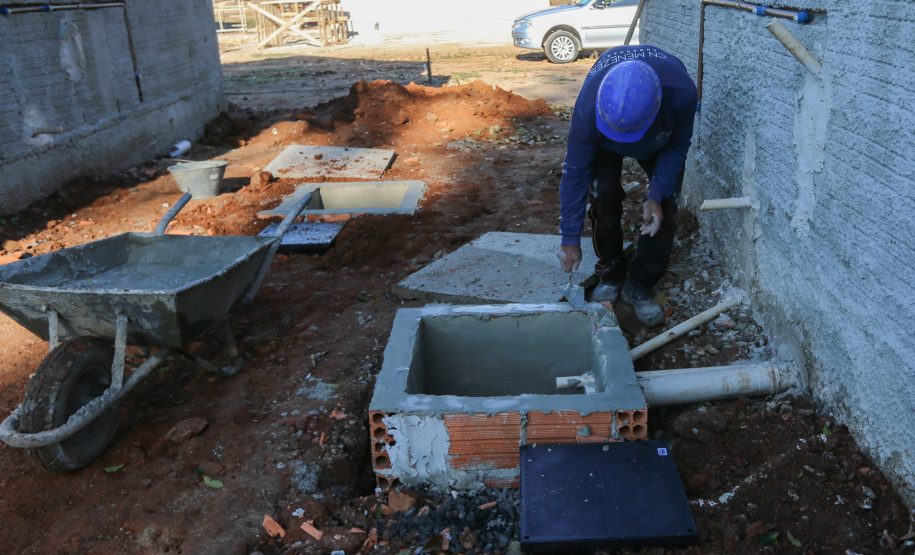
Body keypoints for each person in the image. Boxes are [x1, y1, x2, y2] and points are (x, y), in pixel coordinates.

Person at [556, 44, 698, 326]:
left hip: (656, 139)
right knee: (603, 193)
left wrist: (655, 195)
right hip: (604, 137)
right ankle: (611, 270)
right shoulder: (589, 106)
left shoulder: (682, 94)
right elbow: (575, 174)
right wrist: (569, 238)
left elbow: (678, 147)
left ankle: (640, 284)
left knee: (665, 207)